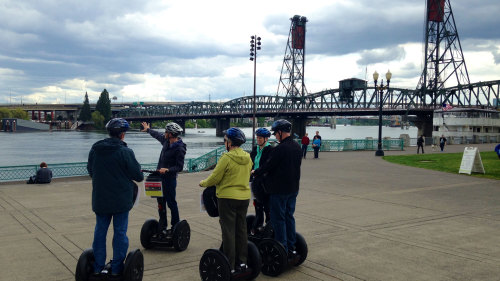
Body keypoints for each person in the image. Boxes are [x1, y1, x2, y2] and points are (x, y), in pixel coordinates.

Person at [87, 118, 144, 278]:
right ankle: (117, 269)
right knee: (120, 232)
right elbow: (138, 176)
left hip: (100, 199)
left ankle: (98, 267)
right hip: (121, 200)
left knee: (100, 230)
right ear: (122, 135)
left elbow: (91, 170)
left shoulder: (95, 149)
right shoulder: (125, 152)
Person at [199, 127, 252, 273]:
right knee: (241, 229)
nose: (224, 143)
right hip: (244, 198)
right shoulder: (248, 158)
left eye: (225, 140)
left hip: (227, 198)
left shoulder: (226, 158)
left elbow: (215, 177)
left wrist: (203, 183)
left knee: (228, 231)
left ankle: (230, 264)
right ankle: (242, 263)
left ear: (229, 142)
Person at [253, 119, 302, 259]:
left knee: (278, 219)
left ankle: (282, 247)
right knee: (289, 217)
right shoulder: (296, 146)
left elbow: (268, 166)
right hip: (293, 188)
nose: (275, 136)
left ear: (280, 132)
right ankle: (291, 246)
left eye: (276, 133)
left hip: (279, 190)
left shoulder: (280, 148)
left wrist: (255, 172)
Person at [141, 121, 186, 236]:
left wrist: (168, 170)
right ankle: (162, 226)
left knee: (171, 203)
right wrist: (148, 130)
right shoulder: (166, 141)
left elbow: (179, 167)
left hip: (169, 180)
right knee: (160, 203)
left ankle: (175, 226)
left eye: (166, 131)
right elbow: (157, 135)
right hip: (159, 179)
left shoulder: (180, 148)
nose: (164, 133)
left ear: (171, 134)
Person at [249, 127, 273, 235]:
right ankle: (258, 226)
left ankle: (269, 227)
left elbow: (268, 166)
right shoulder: (255, 150)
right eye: (257, 137)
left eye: (260, 138)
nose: (258, 139)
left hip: (265, 183)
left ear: (266, 139)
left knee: (267, 207)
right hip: (255, 182)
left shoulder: (270, 150)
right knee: (257, 205)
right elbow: (250, 162)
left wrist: (257, 171)